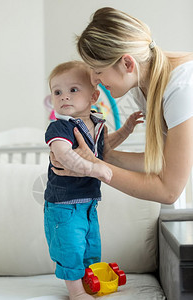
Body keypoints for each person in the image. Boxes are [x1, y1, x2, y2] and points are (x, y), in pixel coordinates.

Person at [51, 7, 193, 205]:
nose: (94, 80)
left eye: (98, 71)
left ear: (127, 64)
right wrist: (104, 156)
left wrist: (94, 167)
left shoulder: (182, 88)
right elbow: (162, 162)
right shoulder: (140, 86)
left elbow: (169, 191)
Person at [44, 60, 143, 300]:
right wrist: (94, 169)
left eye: (73, 90)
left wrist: (126, 130)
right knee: (70, 248)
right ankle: (76, 292)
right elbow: (64, 156)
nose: (64, 97)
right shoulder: (60, 128)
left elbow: (104, 149)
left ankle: (89, 284)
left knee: (90, 245)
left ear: (94, 96)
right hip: (64, 205)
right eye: (58, 92)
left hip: (88, 201)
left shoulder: (97, 123)